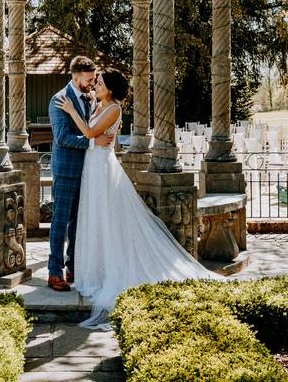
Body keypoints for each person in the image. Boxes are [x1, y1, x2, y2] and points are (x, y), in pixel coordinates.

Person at [56, 67, 225, 329]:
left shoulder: (113, 108)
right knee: (93, 219)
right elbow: (95, 133)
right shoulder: (99, 105)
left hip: (102, 167)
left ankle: (109, 271)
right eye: (96, 82)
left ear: (110, 88)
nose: (95, 86)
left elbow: (90, 134)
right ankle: (94, 271)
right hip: (92, 166)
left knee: (106, 218)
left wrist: (71, 112)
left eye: (99, 83)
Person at [46, 56, 116, 293]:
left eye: (94, 79)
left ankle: (72, 266)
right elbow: (63, 138)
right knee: (60, 221)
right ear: (76, 77)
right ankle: (54, 272)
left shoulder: (90, 98)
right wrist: (93, 143)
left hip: (88, 170)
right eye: (89, 79)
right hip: (66, 169)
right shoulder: (58, 100)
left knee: (78, 221)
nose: (92, 82)